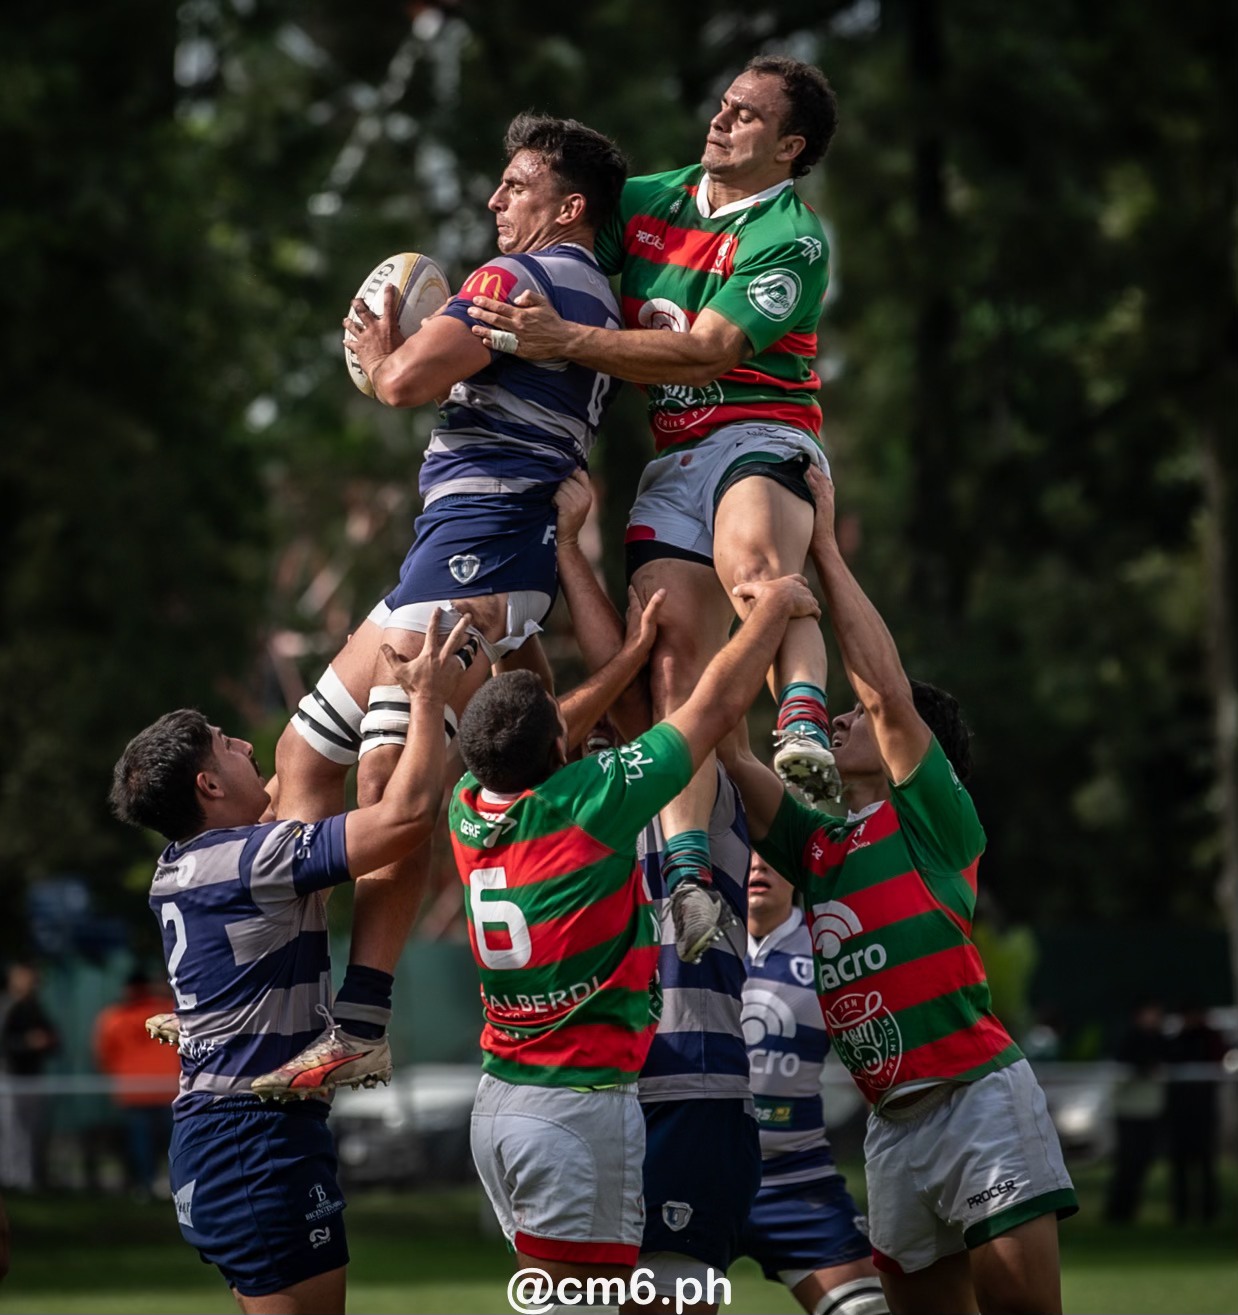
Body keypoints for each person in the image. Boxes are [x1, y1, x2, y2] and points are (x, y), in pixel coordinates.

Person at [264, 112, 629, 1096]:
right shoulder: (589, 296)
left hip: (481, 555)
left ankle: (358, 1022)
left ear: (568, 205)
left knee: (389, 784)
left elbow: (403, 383)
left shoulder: (518, 281)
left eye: (514, 185)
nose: (492, 200)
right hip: (451, 554)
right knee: (303, 755)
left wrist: (383, 351)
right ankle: (276, 997)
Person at [468, 56, 843, 961]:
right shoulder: (649, 200)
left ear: (789, 147)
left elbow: (709, 352)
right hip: (676, 460)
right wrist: (443, 322)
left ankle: (802, 719)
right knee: (672, 668)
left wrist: (561, 337)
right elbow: (553, 235)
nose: (719, 122)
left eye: (746, 116)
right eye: (721, 105)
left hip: (760, 431)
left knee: (755, 564)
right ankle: (685, 875)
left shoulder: (793, 235)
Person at [720, 466, 1077, 1315]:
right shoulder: (821, 845)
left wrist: (828, 553)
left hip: (977, 1101)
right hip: (893, 1129)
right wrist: (742, 599)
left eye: (859, 720)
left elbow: (883, 694)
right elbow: (729, 754)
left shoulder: (935, 823)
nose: (838, 716)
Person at [453, 565, 820, 1307]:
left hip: (508, 1099)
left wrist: (623, 643)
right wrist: (776, 603)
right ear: (562, 750)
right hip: (585, 1098)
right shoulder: (597, 802)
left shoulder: (470, 804)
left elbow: (550, 725)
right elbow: (707, 704)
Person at [108, 614, 468, 1314]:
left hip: (233, 1134)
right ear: (209, 786)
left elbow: (297, 771)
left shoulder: (182, 865)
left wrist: (358, 658)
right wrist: (425, 698)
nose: (244, 742)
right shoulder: (252, 860)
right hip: (252, 1138)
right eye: (225, 741)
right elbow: (403, 819)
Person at [554, 469, 756, 1314]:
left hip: (692, 1086)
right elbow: (552, 720)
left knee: (673, 1303)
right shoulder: (583, 801)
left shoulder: (710, 777)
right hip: (602, 1096)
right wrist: (563, 548)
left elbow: (675, 703)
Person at [738, 854, 886, 1315]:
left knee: (866, 1311)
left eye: (772, 856)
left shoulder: (831, 947)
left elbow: (878, 1063)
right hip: (698, 1175)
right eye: (746, 854)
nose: (759, 866)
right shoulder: (684, 935)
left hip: (798, 1182)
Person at [92, 968, 181, 1198]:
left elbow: (104, 1055)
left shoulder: (114, 1017)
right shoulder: (168, 1011)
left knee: (141, 1145)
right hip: (168, 1089)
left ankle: (145, 1186)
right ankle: (179, 1188)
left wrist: (120, 1077)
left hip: (133, 1091)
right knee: (175, 1144)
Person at [1103, 1000, 1169, 1225]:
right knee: (1127, 1163)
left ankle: (1130, 1210)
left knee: (1142, 1162)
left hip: (1149, 1110)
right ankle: (1118, 1211)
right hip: (1129, 1111)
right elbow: (1127, 1064)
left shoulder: (1160, 1040)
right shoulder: (1129, 1039)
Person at [1165, 1004, 1226, 1225]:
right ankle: (1182, 1212)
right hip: (1181, 1112)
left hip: (1203, 1111)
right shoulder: (1178, 1040)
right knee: (1181, 1164)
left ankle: (1209, 1211)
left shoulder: (1210, 1038)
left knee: (1206, 1163)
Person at [0, 962, 59, 1191]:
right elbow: (6, 1044)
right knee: (11, 1133)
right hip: (9, 1078)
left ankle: (27, 1179)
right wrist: (26, 1043)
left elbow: (54, 1040)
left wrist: (44, 1041)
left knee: (30, 1132)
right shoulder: (6, 1007)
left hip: (32, 1078)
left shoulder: (35, 1007)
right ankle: (11, 1179)